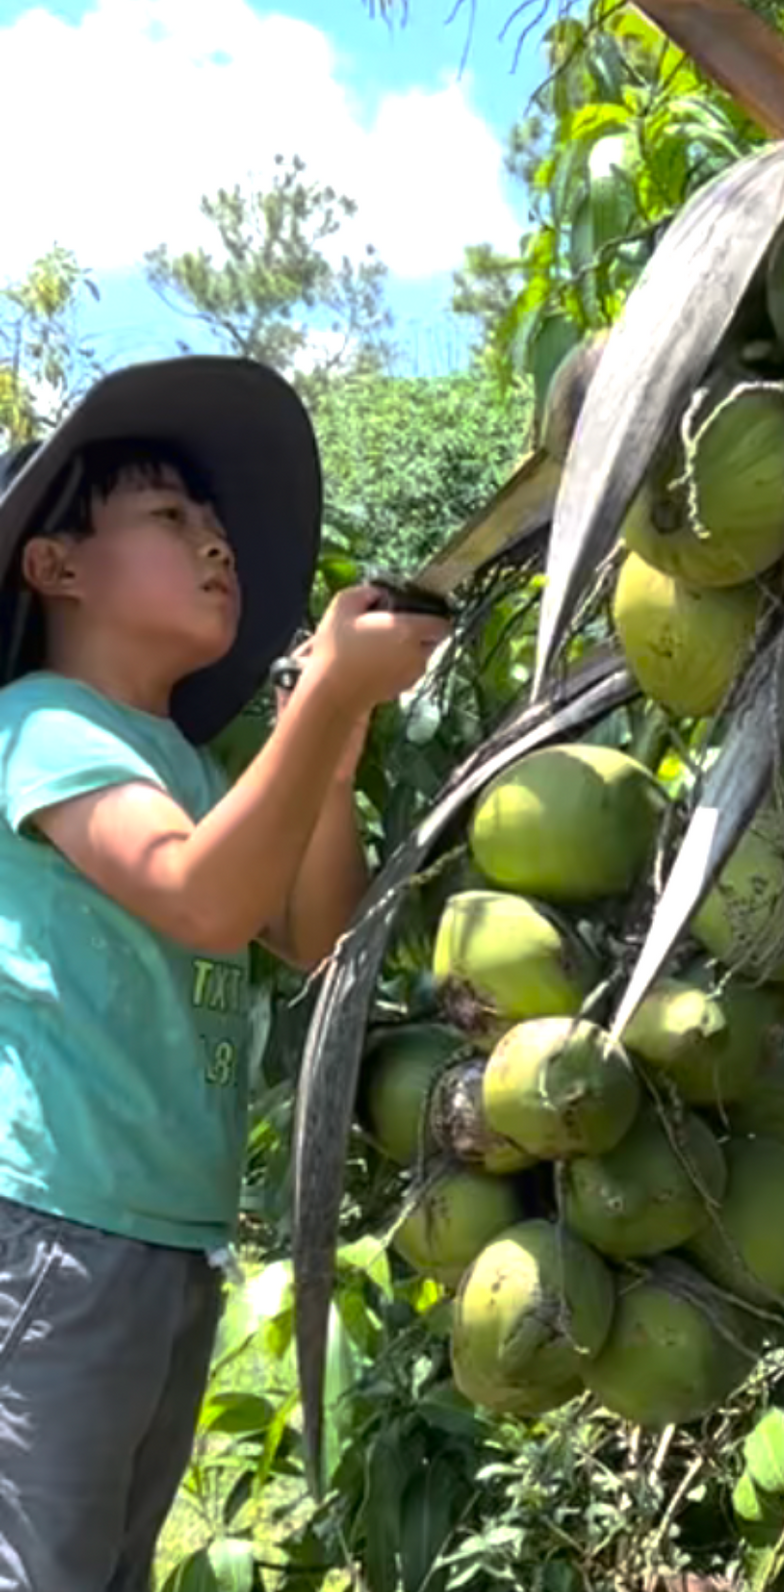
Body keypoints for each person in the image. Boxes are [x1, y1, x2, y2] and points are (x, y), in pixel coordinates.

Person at [0, 358, 452, 1592]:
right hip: (52, 1226)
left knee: (104, 1564)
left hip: (162, 1236)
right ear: (57, 566)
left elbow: (315, 937)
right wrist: (319, 712)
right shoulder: (41, 722)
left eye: (213, 526)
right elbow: (203, 897)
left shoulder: (192, 767)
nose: (215, 544)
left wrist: (335, 733)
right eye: (168, 518)